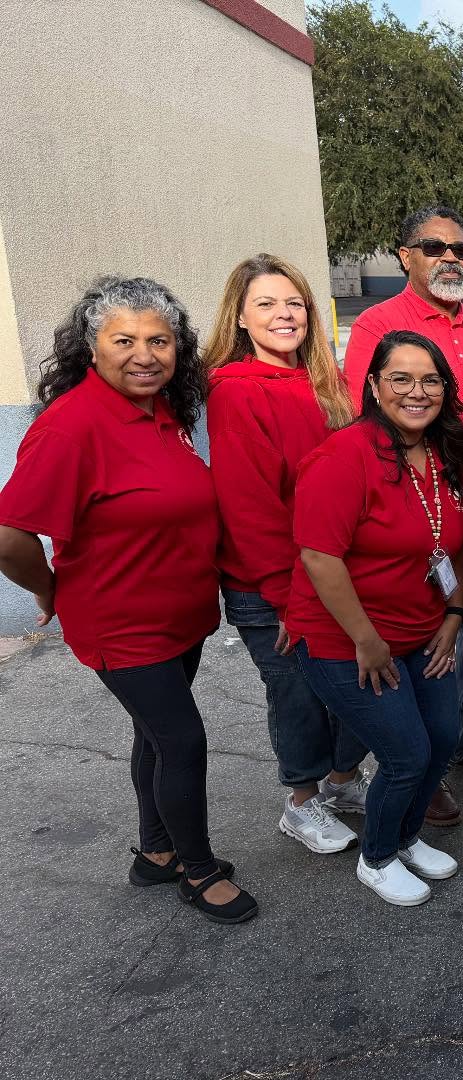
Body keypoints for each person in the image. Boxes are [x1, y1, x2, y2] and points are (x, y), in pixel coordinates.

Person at [0, 277, 256, 924]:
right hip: (122, 623)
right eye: (124, 340)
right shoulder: (71, 427)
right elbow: (9, 536)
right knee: (184, 741)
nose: (145, 354)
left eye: (159, 340)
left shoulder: (162, 412)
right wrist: (48, 589)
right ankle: (199, 871)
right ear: (92, 349)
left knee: (156, 738)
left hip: (181, 616)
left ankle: (156, 852)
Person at [344, 205, 463, 828]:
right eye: (435, 246)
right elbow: (366, 422)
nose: (452, 258)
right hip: (416, 511)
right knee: (422, 640)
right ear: (404, 255)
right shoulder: (377, 326)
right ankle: (421, 764)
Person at [289, 331, 463, 907]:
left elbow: (456, 544)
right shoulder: (343, 457)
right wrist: (367, 641)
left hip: (426, 631)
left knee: (442, 740)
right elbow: (320, 555)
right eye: (400, 378)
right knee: (406, 754)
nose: (416, 392)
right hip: (349, 642)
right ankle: (378, 856)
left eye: (430, 380)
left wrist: (455, 613)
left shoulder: (446, 452)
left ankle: (406, 836)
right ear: (372, 385)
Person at [205, 254, 367, 856]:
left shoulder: (324, 383)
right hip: (270, 585)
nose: (284, 315)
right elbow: (250, 509)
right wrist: (284, 599)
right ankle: (301, 803)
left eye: (293, 303)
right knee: (298, 693)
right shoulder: (236, 392)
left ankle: (342, 782)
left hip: (336, 573)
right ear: (241, 319)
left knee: (358, 684)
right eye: (266, 304)